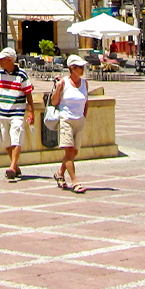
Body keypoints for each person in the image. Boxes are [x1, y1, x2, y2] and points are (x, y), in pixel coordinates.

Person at [0, 47, 34, 181]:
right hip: (3, 112)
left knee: (16, 137)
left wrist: (31, 111)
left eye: (1, 59)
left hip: (17, 112)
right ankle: (15, 165)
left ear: (9, 60)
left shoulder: (22, 75)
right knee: (5, 140)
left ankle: (12, 166)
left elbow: (28, 94)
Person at [50, 55, 90, 194]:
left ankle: (60, 172)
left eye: (83, 67)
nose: (82, 70)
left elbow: (86, 101)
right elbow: (54, 102)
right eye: (80, 67)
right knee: (69, 151)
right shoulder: (64, 82)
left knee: (74, 152)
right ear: (72, 68)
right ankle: (75, 182)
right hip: (66, 119)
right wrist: (58, 88)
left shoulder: (85, 83)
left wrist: (84, 116)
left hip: (79, 120)